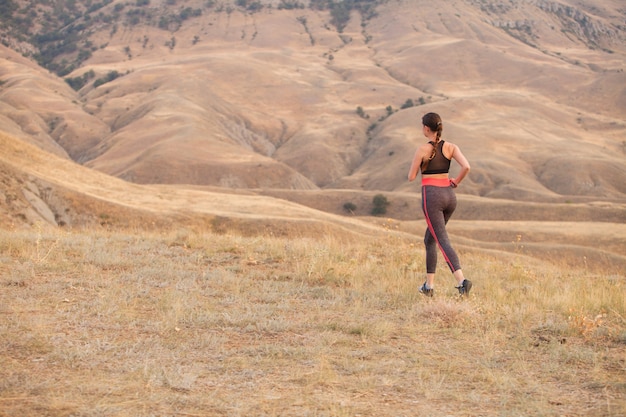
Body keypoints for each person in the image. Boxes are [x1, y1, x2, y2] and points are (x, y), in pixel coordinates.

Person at [407, 112, 472, 297]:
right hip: (449, 196)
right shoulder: (451, 147)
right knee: (430, 240)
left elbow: (411, 177)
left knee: (442, 240)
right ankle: (429, 287)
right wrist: (456, 181)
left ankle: (462, 281)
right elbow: (466, 166)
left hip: (432, 196)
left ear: (426, 128)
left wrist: (420, 165)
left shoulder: (422, 149)